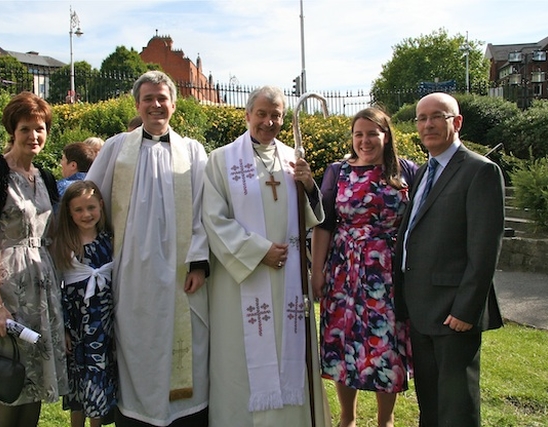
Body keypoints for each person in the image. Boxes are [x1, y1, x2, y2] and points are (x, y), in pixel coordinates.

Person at [85, 70, 210, 427]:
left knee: (188, 346)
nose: (156, 105)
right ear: (137, 105)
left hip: (182, 272)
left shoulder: (192, 151)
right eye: (148, 99)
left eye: (162, 98)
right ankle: (138, 416)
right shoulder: (116, 148)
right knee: (138, 344)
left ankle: (187, 416)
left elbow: (206, 210)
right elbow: (91, 200)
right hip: (133, 271)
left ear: (173, 103)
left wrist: (199, 264)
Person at [202, 86, 331, 427]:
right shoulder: (221, 160)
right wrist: (259, 252)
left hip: (288, 279)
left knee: (290, 350)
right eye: (262, 113)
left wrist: (309, 185)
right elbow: (213, 220)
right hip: (242, 278)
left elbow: (312, 215)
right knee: (240, 358)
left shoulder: (292, 159)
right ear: (247, 115)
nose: (269, 121)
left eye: (276, 115)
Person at [0, 92, 68, 427]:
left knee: (35, 382)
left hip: (43, 286)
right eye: (26, 129)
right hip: (8, 288)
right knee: (12, 379)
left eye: (40, 128)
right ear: (12, 130)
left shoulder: (46, 178)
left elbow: (52, 237)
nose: (34, 136)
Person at [394, 92, 504, 427]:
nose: (427, 125)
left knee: (457, 408)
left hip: (454, 312)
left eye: (436, 117)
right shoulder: (424, 171)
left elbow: (485, 247)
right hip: (421, 307)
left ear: (456, 122)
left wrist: (466, 309)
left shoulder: (479, 171)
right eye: (421, 118)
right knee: (431, 403)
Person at [310, 107, 417, 427]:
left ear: (386, 136)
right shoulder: (336, 172)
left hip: (386, 273)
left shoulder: (406, 171)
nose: (365, 140)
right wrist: (317, 271)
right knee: (343, 345)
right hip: (343, 271)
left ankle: (386, 420)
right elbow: (324, 224)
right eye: (359, 134)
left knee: (386, 347)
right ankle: (348, 418)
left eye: (372, 133)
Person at [51, 180, 117, 427]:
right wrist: (65, 328)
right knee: (79, 379)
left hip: (104, 322)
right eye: (78, 209)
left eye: (91, 207)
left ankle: (97, 424)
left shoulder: (109, 241)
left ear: (101, 206)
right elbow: (59, 289)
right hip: (78, 324)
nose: (86, 214)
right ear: (68, 211)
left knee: (99, 375)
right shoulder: (65, 244)